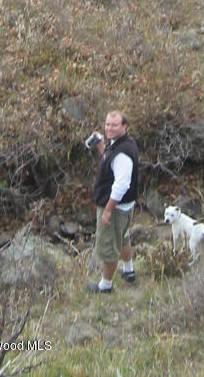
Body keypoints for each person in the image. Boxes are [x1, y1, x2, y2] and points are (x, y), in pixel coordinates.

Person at [87, 109, 139, 293]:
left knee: (109, 247)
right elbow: (109, 159)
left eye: (114, 125)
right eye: (107, 124)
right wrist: (101, 146)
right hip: (124, 207)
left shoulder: (123, 153)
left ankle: (105, 286)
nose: (109, 128)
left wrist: (108, 210)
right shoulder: (120, 144)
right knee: (123, 238)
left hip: (116, 207)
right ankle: (129, 271)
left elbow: (121, 185)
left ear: (124, 126)